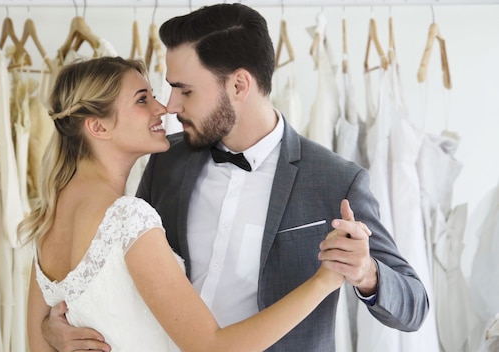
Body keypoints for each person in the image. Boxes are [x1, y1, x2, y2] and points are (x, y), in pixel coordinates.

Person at [41, 3, 430, 351]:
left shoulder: (334, 179)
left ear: (239, 85)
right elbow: (114, 272)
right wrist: (52, 330)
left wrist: (366, 273)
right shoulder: (166, 161)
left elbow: (414, 307)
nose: (171, 107)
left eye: (185, 91)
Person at [22, 56, 356, 352]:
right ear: (98, 126)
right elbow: (212, 347)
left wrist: (51, 332)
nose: (162, 108)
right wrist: (323, 281)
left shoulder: (48, 217)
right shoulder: (127, 217)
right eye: (142, 100)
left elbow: (38, 344)